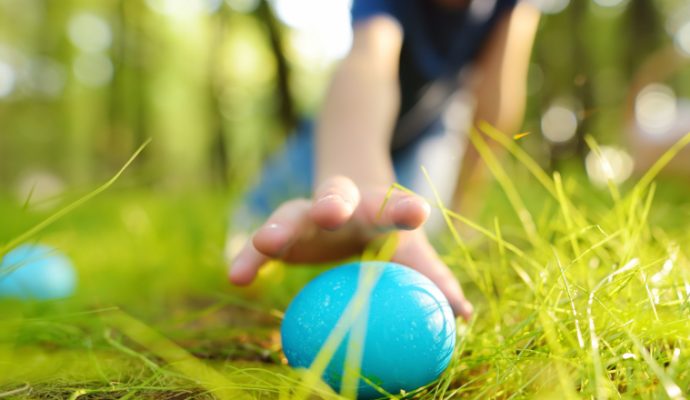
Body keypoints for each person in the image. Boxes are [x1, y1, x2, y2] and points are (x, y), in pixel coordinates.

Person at [227, 0, 542, 321]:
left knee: (422, 231)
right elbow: (368, 61)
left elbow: (496, 96)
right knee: (251, 234)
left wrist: (463, 214)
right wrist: (361, 178)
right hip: (340, 130)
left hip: (427, 135)